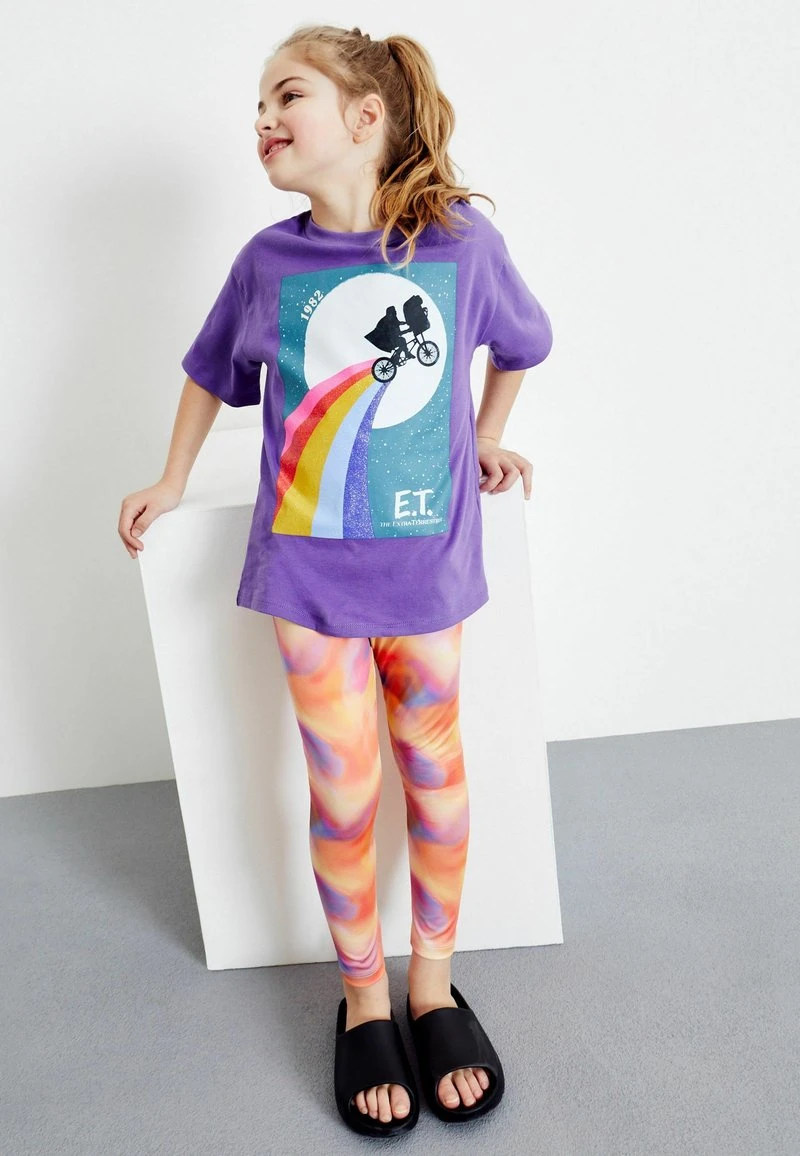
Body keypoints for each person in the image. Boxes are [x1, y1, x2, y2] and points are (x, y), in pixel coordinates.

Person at [118, 22, 553, 1138]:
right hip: (308, 581)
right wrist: (171, 478)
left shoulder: (460, 248)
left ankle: (432, 986)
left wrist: (484, 434)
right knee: (345, 788)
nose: (263, 118)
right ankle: (364, 995)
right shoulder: (269, 263)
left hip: (430, 573)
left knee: (433, 769)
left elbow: (523, 344)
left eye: (287, 95)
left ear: (366, 116)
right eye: (258, 103)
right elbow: (207, 372)